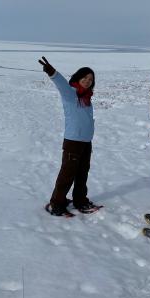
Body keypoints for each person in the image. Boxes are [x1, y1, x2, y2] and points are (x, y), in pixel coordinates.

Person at [38, 56, 98, 216]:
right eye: (85, 77)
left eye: (90, 79)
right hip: (73, 142)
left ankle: (80, 200)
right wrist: (52, 72)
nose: (87, 81)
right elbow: (61, 84)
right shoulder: (71, 93)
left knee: (82, 174)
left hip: (86, 142)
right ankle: (56, 203)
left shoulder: (87, 97)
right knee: (67, 174)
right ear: (78, 78)